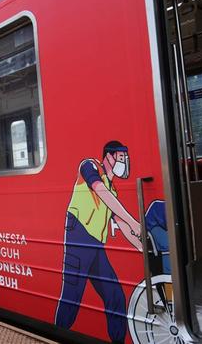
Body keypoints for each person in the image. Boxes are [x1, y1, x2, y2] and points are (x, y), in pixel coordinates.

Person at [55, 140, 142, 343]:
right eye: (121, 157)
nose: (124, 162)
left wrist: (142, 247)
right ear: (109, 157)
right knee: (72, 297)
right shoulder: (90, 165)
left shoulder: (112, 192)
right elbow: (99, 190)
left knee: (115, 297)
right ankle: (57, 334)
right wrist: (132, 220)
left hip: (95, 247)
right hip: (78, 241)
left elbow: (125, 227)